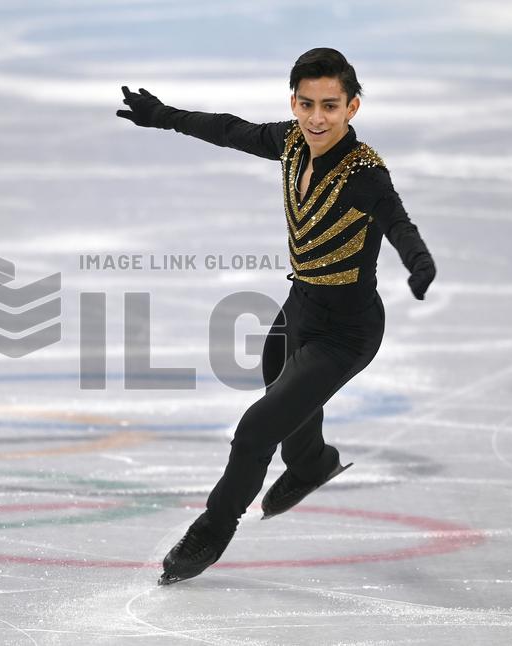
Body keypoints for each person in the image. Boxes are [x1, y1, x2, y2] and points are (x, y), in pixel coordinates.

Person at [116, 47, 436, 585]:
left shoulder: (365, 175)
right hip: (300, 307)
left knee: (258, 428)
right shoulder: (291, 141)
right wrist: (163, 116)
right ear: (294, 102)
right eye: (307, 104)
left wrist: (419, 262)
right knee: (278, 386)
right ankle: (311, 464)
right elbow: (228, 129)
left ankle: (214, 528)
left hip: (348, 331)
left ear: (352, 107)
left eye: (330, 106)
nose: (317, 118)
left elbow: (399, 223)